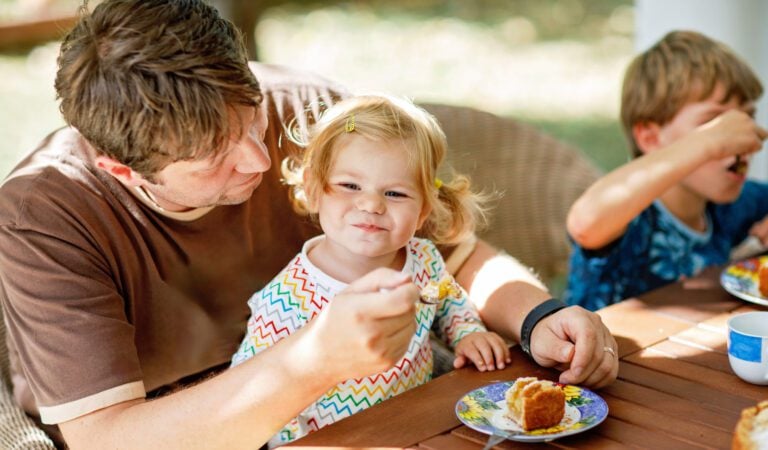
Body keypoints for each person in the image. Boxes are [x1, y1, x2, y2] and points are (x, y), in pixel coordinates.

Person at [0, 1, 617, 448]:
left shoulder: (313, 114)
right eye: (217, 156)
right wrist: (313, 362)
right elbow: (112, 440)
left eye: (250, 121)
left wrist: (540, 317)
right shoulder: (43, 219)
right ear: (121, 169)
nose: (261, 161)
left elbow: (455, 256)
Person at [231, 94, 509, 446]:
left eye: (394, 193)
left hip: (419, 427)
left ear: (424, 209)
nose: (371, 204)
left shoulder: (423, 259)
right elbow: (253, 395)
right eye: (350, 186)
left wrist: (467, 332)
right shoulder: (285, 301)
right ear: (314, 191)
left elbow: (449, 300)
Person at [565, 30, 768, 311]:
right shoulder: (631, 215)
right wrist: (708, 142)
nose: (739, 141)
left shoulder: (732, 206)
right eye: (714, 123)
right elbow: (585, 223)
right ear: (650, 138)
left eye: (745, 120)